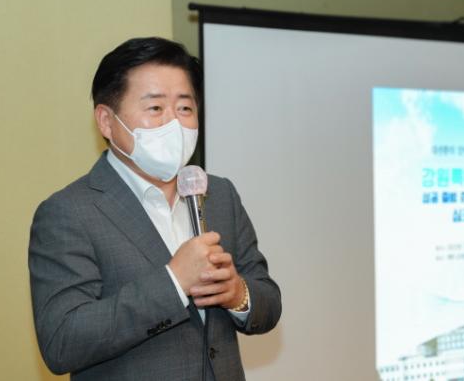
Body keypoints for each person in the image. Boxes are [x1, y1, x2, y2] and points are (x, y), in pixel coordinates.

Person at [28, 37, 282, 381]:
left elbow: (268, 301)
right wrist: (174, 281)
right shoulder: (69, 212)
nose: (174, 123)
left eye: (185, 108)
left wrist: (238, 294)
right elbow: (62, 341)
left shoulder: (219, 193)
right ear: (106, 120)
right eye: (155, 108)